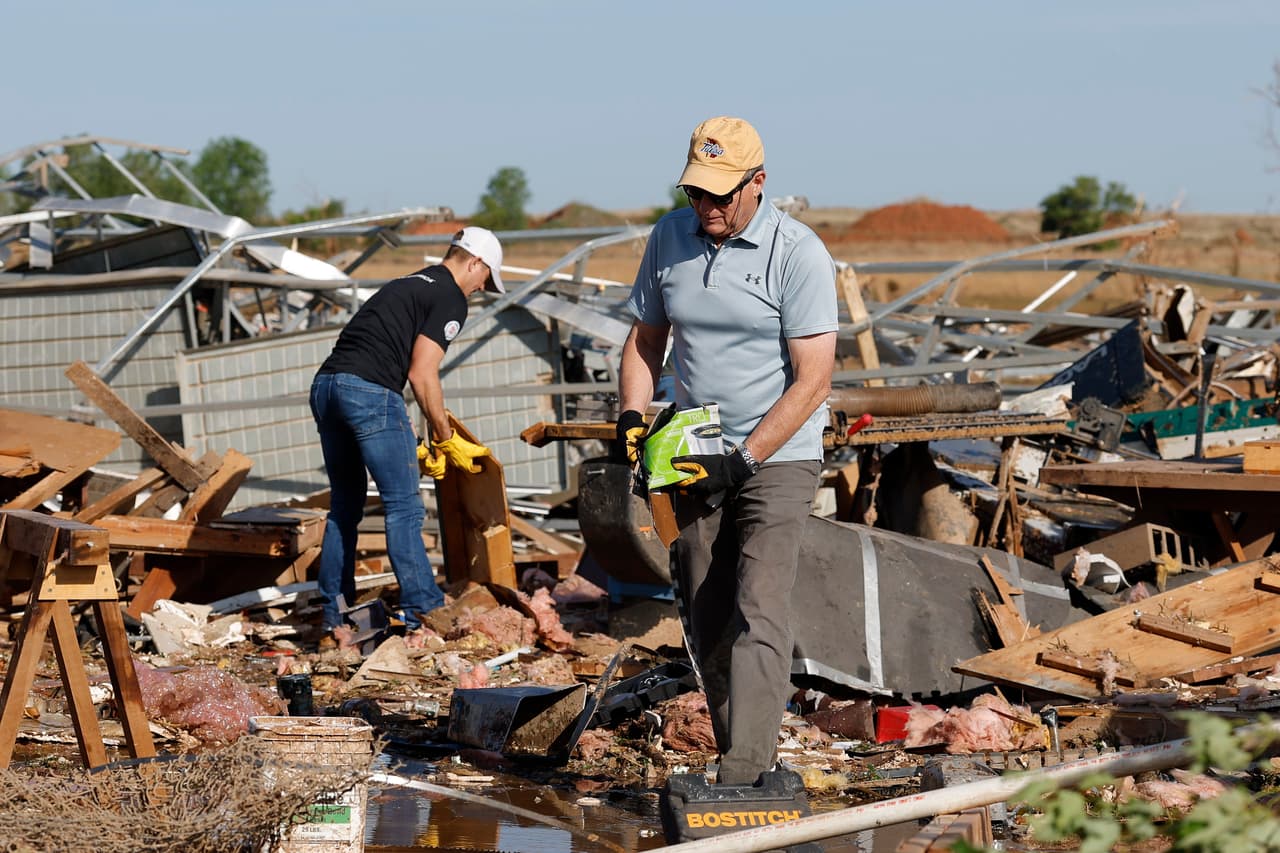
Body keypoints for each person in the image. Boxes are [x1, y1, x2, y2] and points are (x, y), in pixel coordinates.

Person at [617, 116, 838, 786]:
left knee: (759, 599)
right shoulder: (669, 237)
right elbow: (645, 340)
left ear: (758, 183)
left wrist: (745, 459)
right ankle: (729, 740)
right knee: (705, 605)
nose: (707, 208)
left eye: (721, 195)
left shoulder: (797, 253)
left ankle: (748, 762)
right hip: (695, 447)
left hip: (779, 452)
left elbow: (813, 379)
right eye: (696, 194)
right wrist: (632, 414)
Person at [310, 226, 505, 634]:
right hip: (369, 393)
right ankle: (424, 607)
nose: (479, 289)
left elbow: (379, 354)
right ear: (475, 263)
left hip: (327, 387)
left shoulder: (407, 283)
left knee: (344, 507)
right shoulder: (450, 295)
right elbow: (421, 374)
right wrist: (444, 437)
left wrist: (414, 442)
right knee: (404, 507)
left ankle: (335, 616)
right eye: (484, 281)